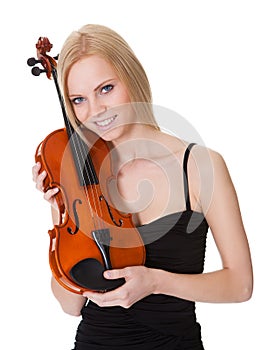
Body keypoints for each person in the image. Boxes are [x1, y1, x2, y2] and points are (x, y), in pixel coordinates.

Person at [32, 24, 253, 350]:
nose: (95, 111)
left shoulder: (198, 165)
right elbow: (70, 305)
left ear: (131, 77)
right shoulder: (77, 179)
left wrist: (156, 282)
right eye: (79, 100)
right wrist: (62, 208)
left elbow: (240, 285)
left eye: (105, 89)